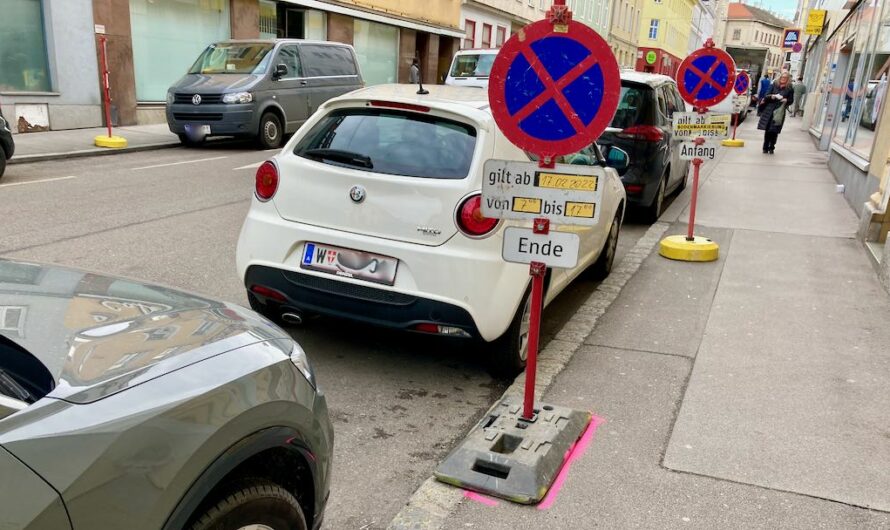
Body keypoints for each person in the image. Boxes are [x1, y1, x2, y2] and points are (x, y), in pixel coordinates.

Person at [758, 71, 794, 154]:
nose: (783, 79)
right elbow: (766, 95)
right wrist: (772, 96)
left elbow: (791, 100)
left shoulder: (790, 88)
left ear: (788, 79)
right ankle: (765, 147)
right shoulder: (774, 85)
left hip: (779, 110)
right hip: (769, 109)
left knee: (775, 130)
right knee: (767, 130)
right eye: (782, 77)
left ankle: (772, 147)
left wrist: (786, 100)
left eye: (785, 78)